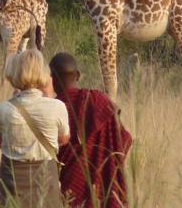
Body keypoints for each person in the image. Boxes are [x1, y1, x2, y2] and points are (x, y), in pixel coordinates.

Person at [49, 52, 133, 208]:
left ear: (52, 79)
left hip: (69, 186)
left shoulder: (52, 109)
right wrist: (106, 167)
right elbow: (124, 139)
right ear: (78, 75)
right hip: (104, 185)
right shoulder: (100, 100)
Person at [0, 49, 70, 208]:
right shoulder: (58, 107)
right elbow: (64, 139)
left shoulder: (1, 109)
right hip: (46, 180)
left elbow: (0, 142)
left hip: (11, 181)